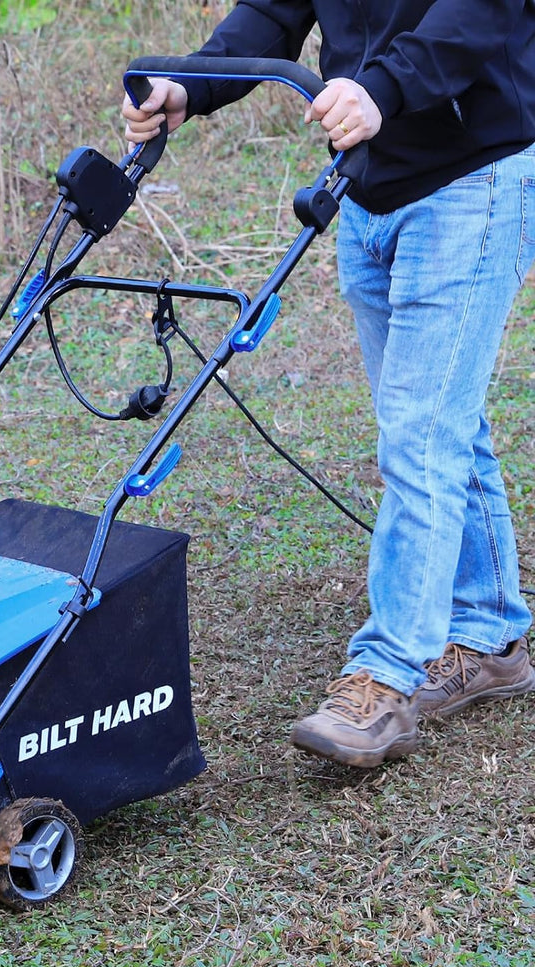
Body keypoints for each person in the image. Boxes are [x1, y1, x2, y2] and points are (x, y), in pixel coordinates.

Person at [123, 0, 535, 768]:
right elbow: (274, 11)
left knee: (422, 433)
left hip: (471, 180)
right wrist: (192, 84)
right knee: (441, 422)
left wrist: (382, 86)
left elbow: (480, 13)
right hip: (369, 188)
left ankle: (386, 678)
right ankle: (489, 632)